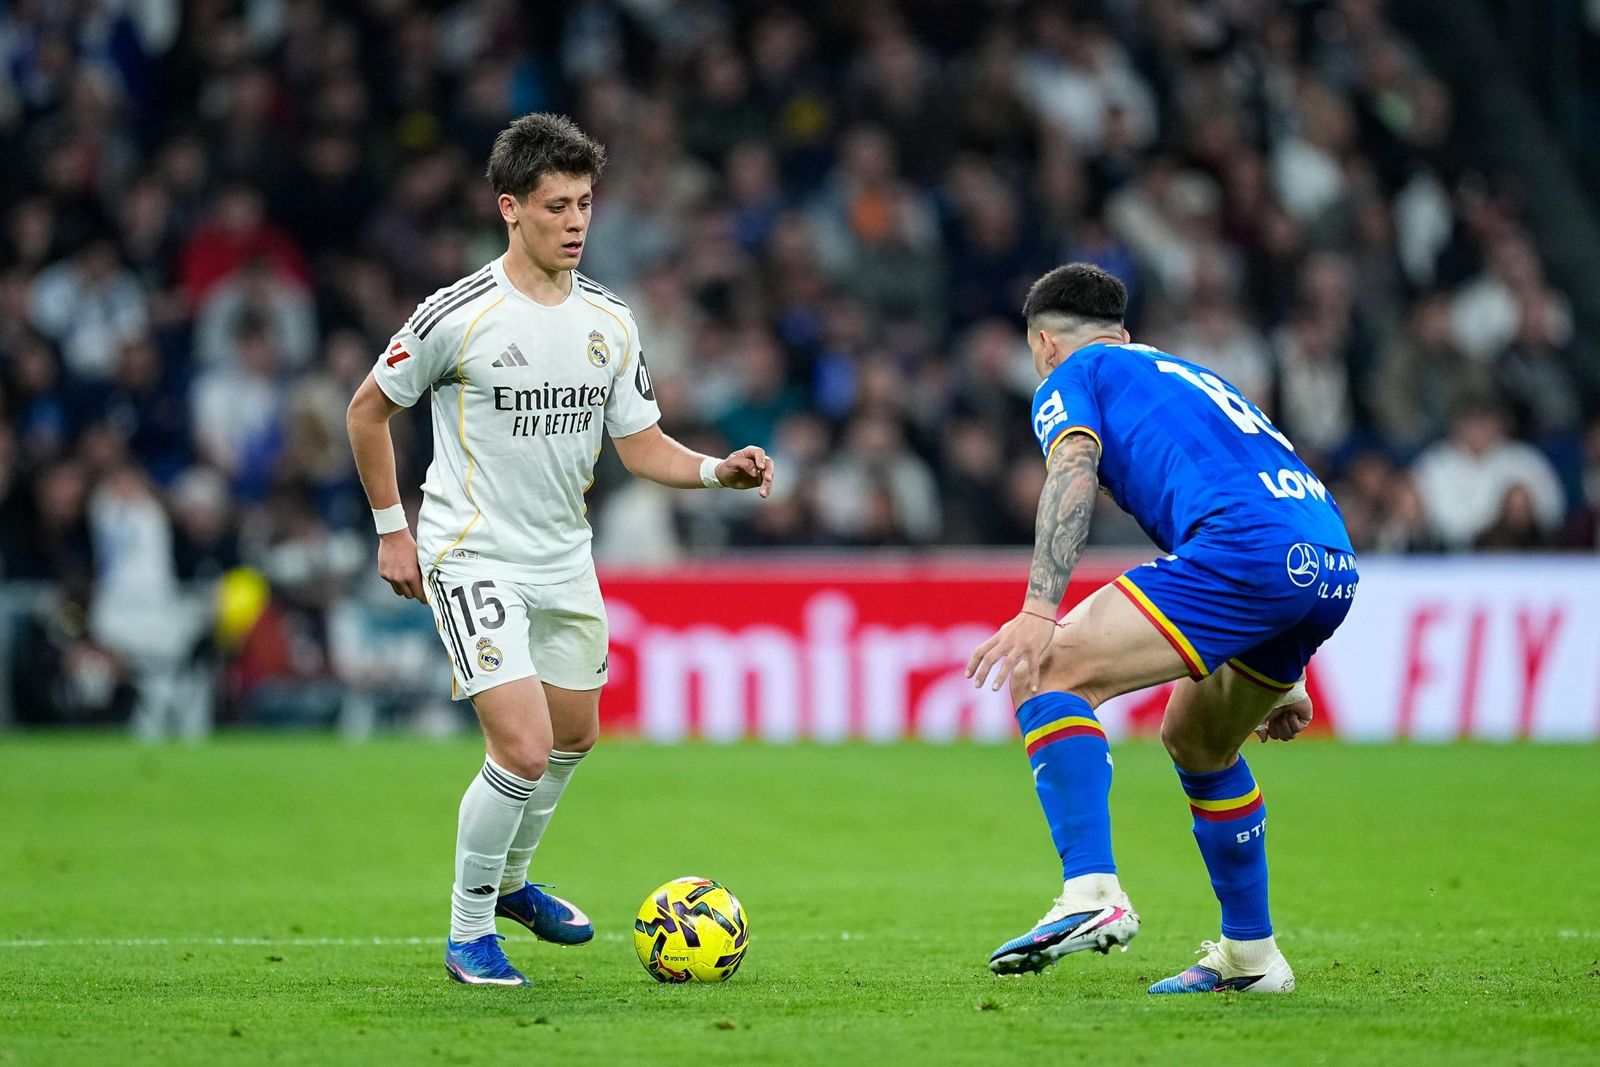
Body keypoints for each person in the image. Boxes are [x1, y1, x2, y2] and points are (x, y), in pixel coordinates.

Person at [346, 114, 774, 987]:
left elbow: (640, 445)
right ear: (510, 208)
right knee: (523, 747)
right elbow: (366, 411)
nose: (576, 221)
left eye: (584, 203)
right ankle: (469, 932)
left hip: (563, 558)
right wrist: (393, 527)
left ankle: (509, 881)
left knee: (574, 733)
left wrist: (714, 471)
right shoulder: (457, 315)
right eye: (556, 206)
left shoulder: (609, 319)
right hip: (472, 552)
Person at [967, 264, 1355, 994]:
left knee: (1044, 669)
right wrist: (1288, 665)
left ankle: (1090, 892)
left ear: (1044, 344)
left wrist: (1040, 610)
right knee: (1199, 743)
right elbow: (1259, 482)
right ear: (1123, 333)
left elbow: (1072, 464)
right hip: (1327, 561)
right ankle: (1252, 956)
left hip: (1244, 552)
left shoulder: (1071, 375)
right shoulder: (1188, 374)